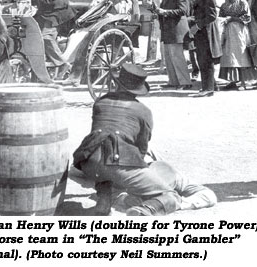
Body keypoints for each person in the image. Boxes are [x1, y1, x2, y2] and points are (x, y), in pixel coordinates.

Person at [73, 63, 217, 216]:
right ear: (138, 89)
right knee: (170, 196)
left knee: (105, 160)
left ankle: (104, 197)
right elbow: (141, 149)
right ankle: (145, 211)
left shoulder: (101, 102)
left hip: (87, 161)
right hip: (117, 163)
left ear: (117, 82)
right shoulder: (143, 111)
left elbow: (100, 135)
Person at [13, 0, 75, 79]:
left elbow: (48, 1)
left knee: (44, 37)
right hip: (42, 14)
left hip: (56, 13)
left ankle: (62, 64)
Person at [151, 0, 192, 90]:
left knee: (177, 57)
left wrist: (165, 12)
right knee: (169, 58)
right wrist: (157, 12)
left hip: (176, 29)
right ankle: (173, 81)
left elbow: (183, 11)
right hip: (168, 29)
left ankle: (185, 82)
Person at [190, 0, 222, 97]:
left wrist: (197, 26)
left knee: (205, 59)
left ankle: (208, 88)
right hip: (203, 31)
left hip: (206, 32)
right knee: (203, 58)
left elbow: (212, 16)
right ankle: (211, 85)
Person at [218, 0, 255, 90]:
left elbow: (247, 18)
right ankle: (233, 81)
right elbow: (220, 17)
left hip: (240, 32)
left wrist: (232, 18)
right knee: (229, 56)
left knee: (241, 55)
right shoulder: (224, 5)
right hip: (228, 32)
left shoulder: (242, 2)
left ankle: (243, 81)